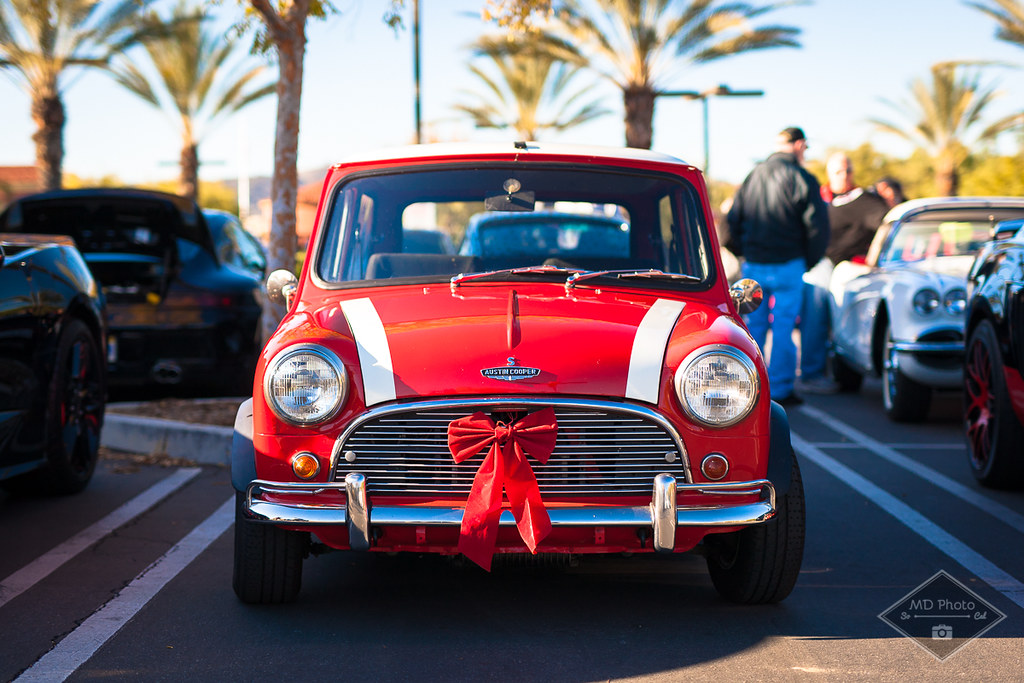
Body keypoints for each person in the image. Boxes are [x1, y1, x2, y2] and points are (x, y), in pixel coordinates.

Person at [726, 127, 830, 406]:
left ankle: (750, 392)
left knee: (752, 329)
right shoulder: (802, 177)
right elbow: (818, 226)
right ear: (798, 145)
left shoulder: (753, 176)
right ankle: (781, 390)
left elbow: (732, 219)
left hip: (755, 265)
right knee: (784, 328)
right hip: (789, 265)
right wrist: (808, 260)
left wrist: (743, 251)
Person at [798, 152, 890, 394]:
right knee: (813, 289)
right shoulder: (822, 198)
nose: (843, 176)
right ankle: (812, 372)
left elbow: (886, 225)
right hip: (820, 263)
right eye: (837, 171)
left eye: (847, 170)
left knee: (821, 293)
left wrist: (872, 258)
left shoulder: (866, 201)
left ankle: (821, 369)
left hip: (850, 266)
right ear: (829, 174)